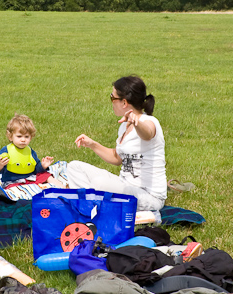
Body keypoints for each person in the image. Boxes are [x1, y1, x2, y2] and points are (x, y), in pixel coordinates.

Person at [68, 75, 167, 212]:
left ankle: (91, 207)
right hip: (125, 186)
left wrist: (137, 123)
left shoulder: (150, 122)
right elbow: (117, 157)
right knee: (74, 167)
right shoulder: (124, 126)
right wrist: (92, 144)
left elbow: (148, 133)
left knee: (99, 183)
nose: (111, 101)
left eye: (112, 97)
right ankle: (88, 206)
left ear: (124, 103)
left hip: (149, 196)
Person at [0, 114, 58, 186]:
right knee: (15, 189)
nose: (23, 140)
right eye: (19, 136)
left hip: (29, 179)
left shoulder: (30, 152)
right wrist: (0, 165)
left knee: (47, 175)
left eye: (26, 137)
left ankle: (63, 188)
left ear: (31, 138)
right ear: (10, 137)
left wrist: (43, 166)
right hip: (12, 181)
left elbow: (36, 169)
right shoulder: (6, 150)